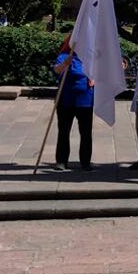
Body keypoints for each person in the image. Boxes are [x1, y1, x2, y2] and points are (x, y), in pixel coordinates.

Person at [52, 36, 95, 172]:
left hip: (85, 101)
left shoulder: (90, 58)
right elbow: (57, 70)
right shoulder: (65, 56)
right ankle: (61, 161)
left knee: (86, 133)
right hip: (66, 101)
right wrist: (65, 64)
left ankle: (85, 162)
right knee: (64, 131)